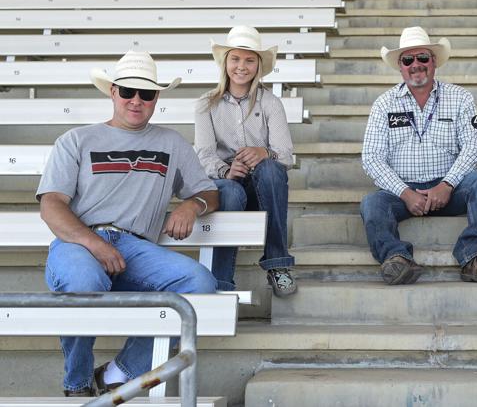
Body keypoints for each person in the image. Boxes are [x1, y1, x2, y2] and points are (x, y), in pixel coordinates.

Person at [38, 51, 219, 397]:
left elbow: (209, 192)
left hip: (137, 248)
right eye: (127, 92)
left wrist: (192, 206)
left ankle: (116, 372)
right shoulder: (76, 140)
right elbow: (51, 206)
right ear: (113, 92)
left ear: (157, 98)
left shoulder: (172, 143)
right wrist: (95, 244)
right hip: (80, 241)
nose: (136, 101)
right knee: (83, 279)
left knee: (200, 284)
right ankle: (76, 385)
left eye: (146, 94)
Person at [361, 26, 477, 285]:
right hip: (402, 193)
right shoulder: (383, 104)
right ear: (400, 66)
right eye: (408, 59)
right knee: (372, 204)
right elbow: (371, 158)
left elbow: (475, 145)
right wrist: (405, 193)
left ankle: (473, 256)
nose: (416, 65)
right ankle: (396, 258)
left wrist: (447, 184)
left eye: (423, 58)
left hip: (450, 189)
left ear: (434, 62)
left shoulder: (460, 98)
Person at [195, 25, 296, 297]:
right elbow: (203, 154)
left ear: (258, 65)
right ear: (225, 62)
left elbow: (286, 155)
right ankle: (221, 283)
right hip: (227, 184)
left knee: (272, 170)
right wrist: (226, 169)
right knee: (228, 191)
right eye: (235, 59)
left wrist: (266, 153)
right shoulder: (206, 104)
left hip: (262, 189)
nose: (242, 66)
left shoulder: (271, 103)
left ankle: (277, 264)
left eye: (250, 59)